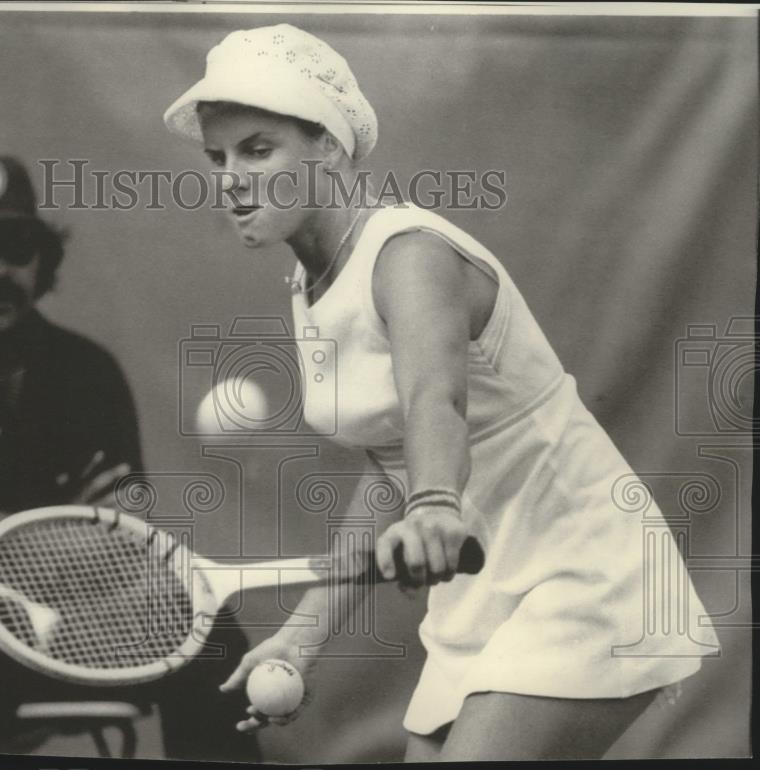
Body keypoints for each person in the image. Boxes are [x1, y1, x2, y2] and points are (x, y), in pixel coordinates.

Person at [162, 24, 719, 761]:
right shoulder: (311, 285)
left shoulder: (408, 255)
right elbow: (388, 464)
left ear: (326, 145)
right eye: (218, 156)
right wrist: (305, 633)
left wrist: (433, 506)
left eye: (258, 149)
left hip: (583, 574)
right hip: (477, 597)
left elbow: (435, 402)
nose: (231, 177)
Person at [0, 154, 260, 761]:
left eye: (17, 248)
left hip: (66, 627)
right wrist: (64, 523)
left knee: (207, 632)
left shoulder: (86, 371)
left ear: (42, 258)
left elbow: (128, 548)